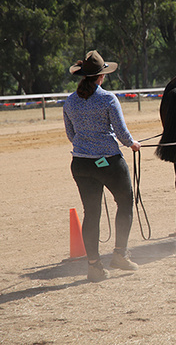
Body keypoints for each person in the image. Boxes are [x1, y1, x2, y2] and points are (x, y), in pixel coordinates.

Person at [63, 50, 141, 282]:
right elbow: (121, 132)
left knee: (91, 213)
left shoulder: (69, 101)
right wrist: (132, 144)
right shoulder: (108, 99)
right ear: (101, 76)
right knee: (126, 202)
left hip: (80, 163)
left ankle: (94, 265)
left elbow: (71, 134)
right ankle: (119, 254)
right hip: (108, 162)